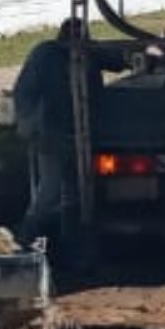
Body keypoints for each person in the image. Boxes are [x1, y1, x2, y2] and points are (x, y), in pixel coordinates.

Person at [10, 18, 127, 245]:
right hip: (52, 132)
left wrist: (150, 51)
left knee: (75, 192)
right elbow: (24, 90)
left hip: (83, 134)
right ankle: (25, 239)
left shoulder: (90, 52)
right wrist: (27, 122)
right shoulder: (46, 54)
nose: (75, 39)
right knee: (50, 190)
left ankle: (68, 240)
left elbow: (119, 59)